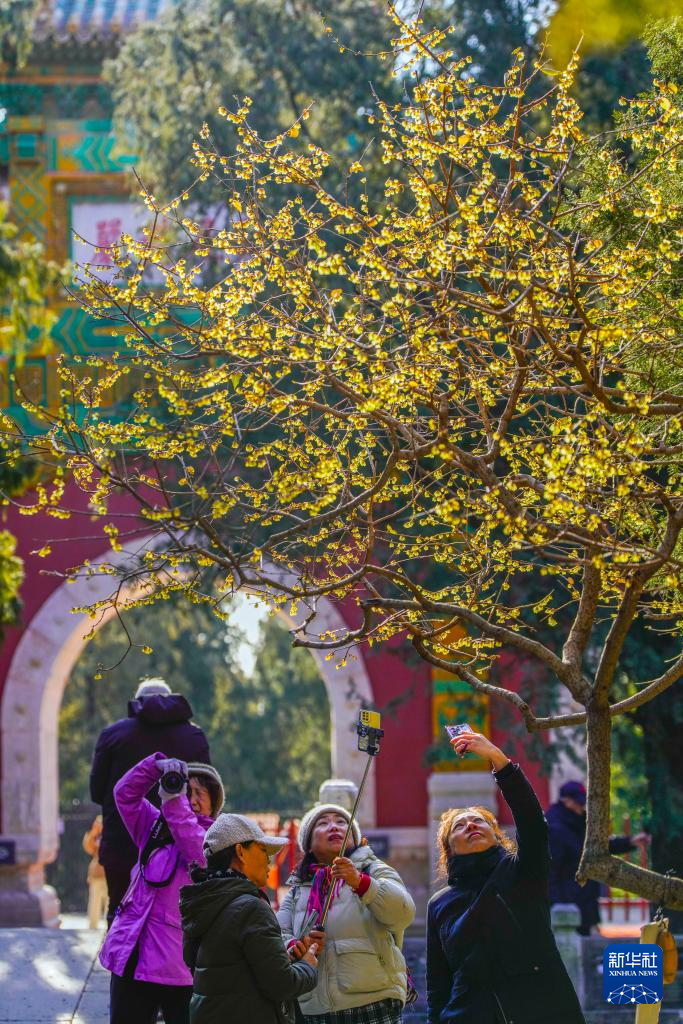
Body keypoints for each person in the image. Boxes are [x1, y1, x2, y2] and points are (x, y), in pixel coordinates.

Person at [427, 731, 586, 1024]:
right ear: (448, 849)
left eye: (479, 821)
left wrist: (498, 760)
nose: (470, 825)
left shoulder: (523, 871)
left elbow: (533, 823)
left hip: (540, 1013)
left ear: (497, 836)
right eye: (459, 826)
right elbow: (439, 984)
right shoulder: (439, 904)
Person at [99, 752, 224, 1024]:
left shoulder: (214, 839)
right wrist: (154, 766)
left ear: (213, 804)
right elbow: (124, 794)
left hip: (178, 966)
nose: (189, 798)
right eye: (185, 789)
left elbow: (196, 851)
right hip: (131, 954)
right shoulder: (153, 826)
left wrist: (174, 802)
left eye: (199, 793)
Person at [277, 802, 415, 1024]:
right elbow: (278, 936)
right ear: (308, 845)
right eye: (323, 823)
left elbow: (403, 914)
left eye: (342, 822)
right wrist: (301, 945)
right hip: (315, 1009)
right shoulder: (297, 890)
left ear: (354, 838)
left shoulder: (374, 869)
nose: (334, 826)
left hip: (374, 1000)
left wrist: (361, 883)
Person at [90, 678, 211, 925]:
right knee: (177, 917)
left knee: (120, 910)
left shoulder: (112, 735)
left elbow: (97, 791)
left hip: (121, 842)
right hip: (179, 845)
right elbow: (207, 789)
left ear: (138, 702)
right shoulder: (194, 736)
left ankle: (119, 950)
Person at [180, 812, 319, 1023]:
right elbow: (282, 985)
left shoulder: (202, 902)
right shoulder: (252, 908)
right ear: (240, 852)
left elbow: (223, 969)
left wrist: (280, 958)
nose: (269, 860)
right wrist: (308, 965)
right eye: (263, 850)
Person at [547, 779, 651, 936]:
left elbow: (599, 846)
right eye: (579, 803)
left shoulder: (579, 824)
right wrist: (558, 905)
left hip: (583, 901)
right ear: (566, 801)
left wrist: (630, 841)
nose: (582, 807)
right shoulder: (556, 829)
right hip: (566, 905)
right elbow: (551, 871)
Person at [83, 814, 108, 929]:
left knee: (109, 901)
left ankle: (109, 925)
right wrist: (94, 832)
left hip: (108, 873)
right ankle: (93, 925)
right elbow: (88, 847)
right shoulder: (95, 837)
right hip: (96, 873)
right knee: (94, 901)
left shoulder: (110, 836)